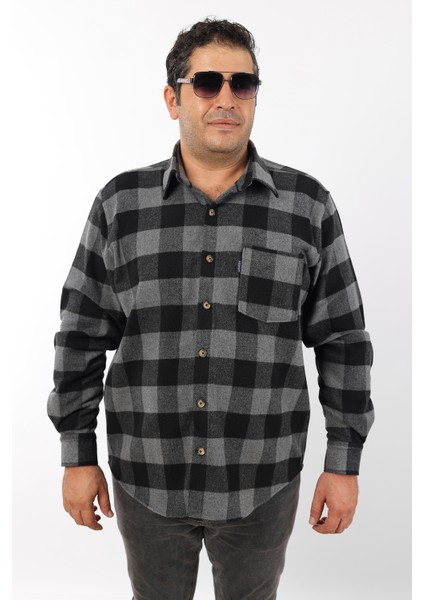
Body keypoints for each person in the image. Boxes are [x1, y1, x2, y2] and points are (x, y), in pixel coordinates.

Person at [47, 17, 375, 600]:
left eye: (242, 83)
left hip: (262, 480)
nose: (226, 98)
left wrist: (343, 462)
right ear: (172, 98)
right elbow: (81, 335)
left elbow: (343, 342)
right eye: (206, 83)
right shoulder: (120, 205)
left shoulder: (307, 207)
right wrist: (77, 455)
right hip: (147, 476)